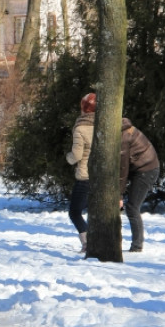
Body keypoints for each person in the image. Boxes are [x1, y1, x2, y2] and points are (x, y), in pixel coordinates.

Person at [119, 118, 160, 253]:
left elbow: (123, 167)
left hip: (146, 170)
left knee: (132, 207)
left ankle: (137, 245)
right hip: (144, 167)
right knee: (132, 207)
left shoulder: (124, 137)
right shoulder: (125, 129)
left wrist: (119, 194)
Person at [65, 93, 95, 252]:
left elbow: (76, 154)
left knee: (75, 212)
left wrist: (68, 159)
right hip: (101, 177)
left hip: (84, 175)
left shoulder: (81, 128)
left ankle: (86, 243)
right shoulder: (104, 125)